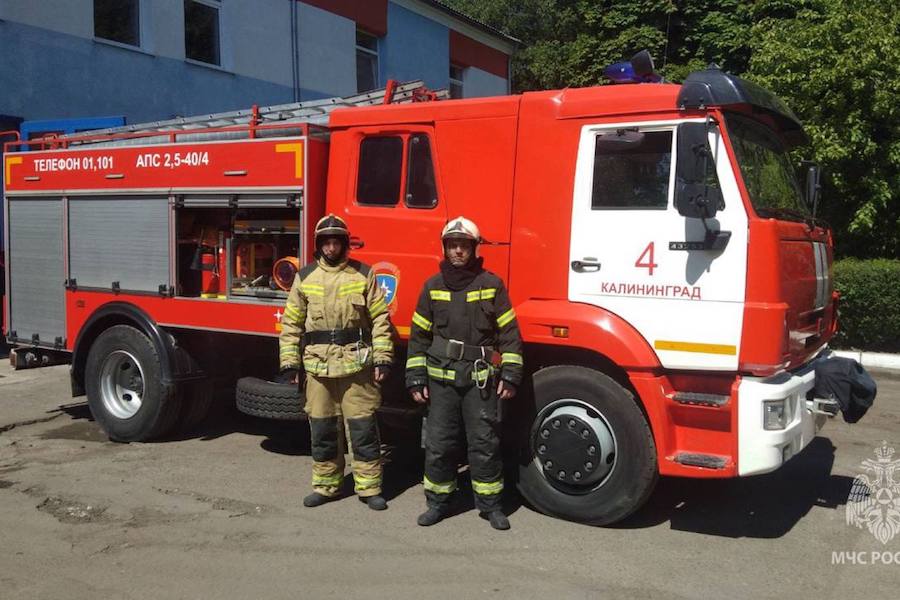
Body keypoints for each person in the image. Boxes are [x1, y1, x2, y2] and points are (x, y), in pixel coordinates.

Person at [405, 216, 524, 530]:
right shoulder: (432, 287)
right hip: (440, 380)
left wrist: (511, 373)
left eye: (464, 245)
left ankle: (491, 505)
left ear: (474, 249)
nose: (458, 251)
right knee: (439, 444)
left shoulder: (491, 285)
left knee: (484, 442)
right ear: (445, 248)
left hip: (479, 380)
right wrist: (415, 378)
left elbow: (509, 333)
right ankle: (438, 503)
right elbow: (418, 337)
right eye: (453, 245)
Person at [278, 214, 394, 510]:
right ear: (319, 245)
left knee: (363, 429)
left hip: (357, 366)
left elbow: (380, 319)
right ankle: (326, 486)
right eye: (326, 243)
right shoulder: (305, 277)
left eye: (336, 242)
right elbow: (291, 323)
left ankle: (369, 488)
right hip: (318, 367)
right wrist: (290, 363)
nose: (331, 248)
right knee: (323, 430)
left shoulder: (363, 274)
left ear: (344, 244)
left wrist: (382, 358)